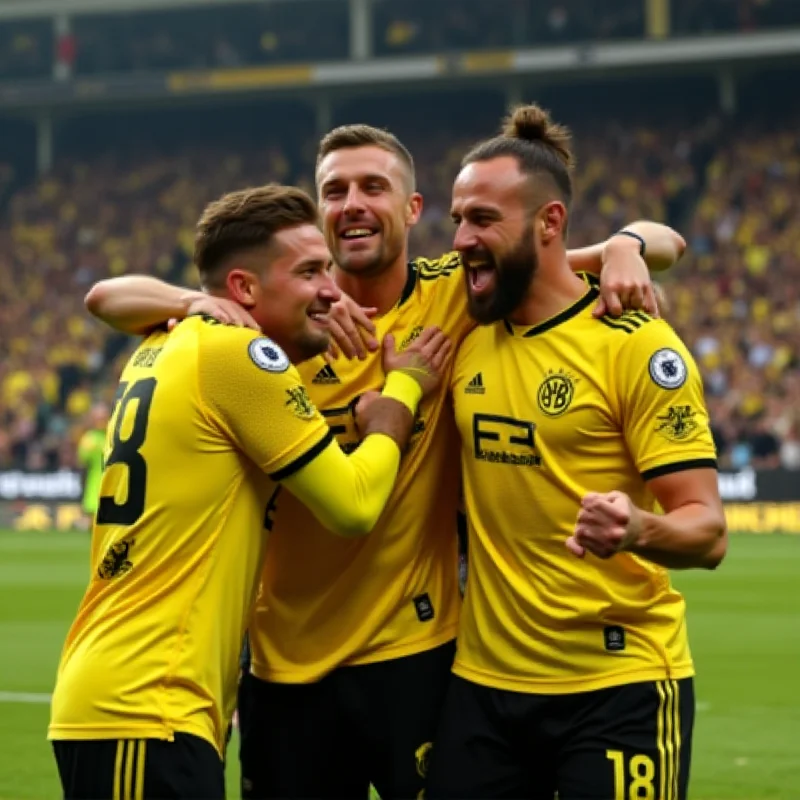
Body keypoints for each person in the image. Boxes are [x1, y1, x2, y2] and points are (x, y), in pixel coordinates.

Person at [87, 130, 686, 800]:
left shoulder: (454, 295)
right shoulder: (276, 323)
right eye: (334, 191)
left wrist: (627, 248)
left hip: (415, 654)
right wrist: (189, 300)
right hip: (287, 663)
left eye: (373, 186)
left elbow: (654, 245)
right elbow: (108, 297)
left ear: (411, 209)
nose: (352, 203)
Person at [48, 184, 451, 800]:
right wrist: (399, 400)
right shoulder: (239, 353)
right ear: (243, 290)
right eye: (311, 271)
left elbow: (107, 297)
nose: (331, 288)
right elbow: (352, 505)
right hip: (148, 701)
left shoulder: (169, 336)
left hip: (132, 699)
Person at [426, 105, 727, 800]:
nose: (462, 240)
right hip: (483, 688)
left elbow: (706, 531)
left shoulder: (633, 342)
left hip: (616, 686)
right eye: (455, 220)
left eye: (482, 220)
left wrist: (638, 528)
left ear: (549, 223)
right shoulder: (465, 328)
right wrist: (626, 242)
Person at [76, 402, 109, 528]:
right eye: (98, 418)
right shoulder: (89, 438)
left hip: (114, 486)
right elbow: (82, 459)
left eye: (103, 418)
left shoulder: (113, 435)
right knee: (94, 526)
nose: (101, 421)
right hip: (95, 485)